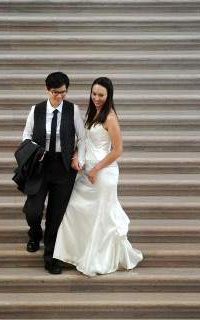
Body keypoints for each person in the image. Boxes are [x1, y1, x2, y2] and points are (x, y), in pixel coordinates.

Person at [53, 77, 143, 276]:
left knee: (100, 217)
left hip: (104, 172)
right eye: (94, 94)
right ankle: (76, 253)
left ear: (109, 95)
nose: (96, 98)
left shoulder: (110, 116)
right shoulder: (93, 112)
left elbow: (118, 150)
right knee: (75, 208)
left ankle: (97, 257)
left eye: (101, 95)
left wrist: (95, 169)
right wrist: (76, 155)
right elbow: (84, 140)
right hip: (86, 171)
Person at [20, 71, 86, 275]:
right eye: (56, 92)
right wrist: (36, 151)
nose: (60, 96)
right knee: (33, 210)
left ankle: (50, 257)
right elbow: (26, 136)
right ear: (47, 89)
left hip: (63, 167)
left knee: (56, 215)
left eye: (64, 92)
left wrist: (78, 158)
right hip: (40, 164)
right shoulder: (36, 110)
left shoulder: (72, 110)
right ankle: (34, 232)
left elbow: (82, 138)